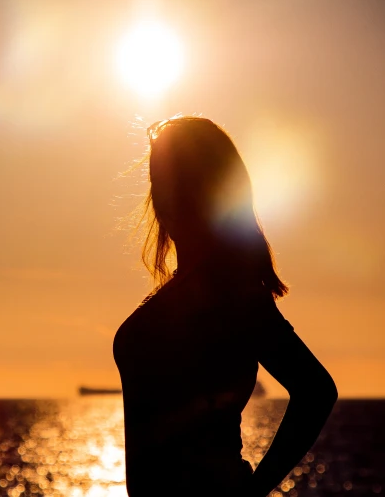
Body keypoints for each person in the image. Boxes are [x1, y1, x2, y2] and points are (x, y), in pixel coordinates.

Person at [113, 116, 338, 496]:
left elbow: (316, 390)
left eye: (177, 179)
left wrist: (253, 492)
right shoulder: (184, 287)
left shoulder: (228, 289)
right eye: (157, 180)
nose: (162, 195)